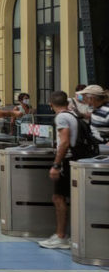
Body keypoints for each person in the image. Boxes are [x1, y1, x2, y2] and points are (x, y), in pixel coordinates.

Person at [40, 91, 100, 249]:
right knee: (63, 197)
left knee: (58, 198)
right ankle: (64, 234)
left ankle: (61, 236)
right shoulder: (73, 114)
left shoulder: (61, 117)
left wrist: (56, 165)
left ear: (51, 104)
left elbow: (64, 142)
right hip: (77, 158)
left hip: (67, 160)